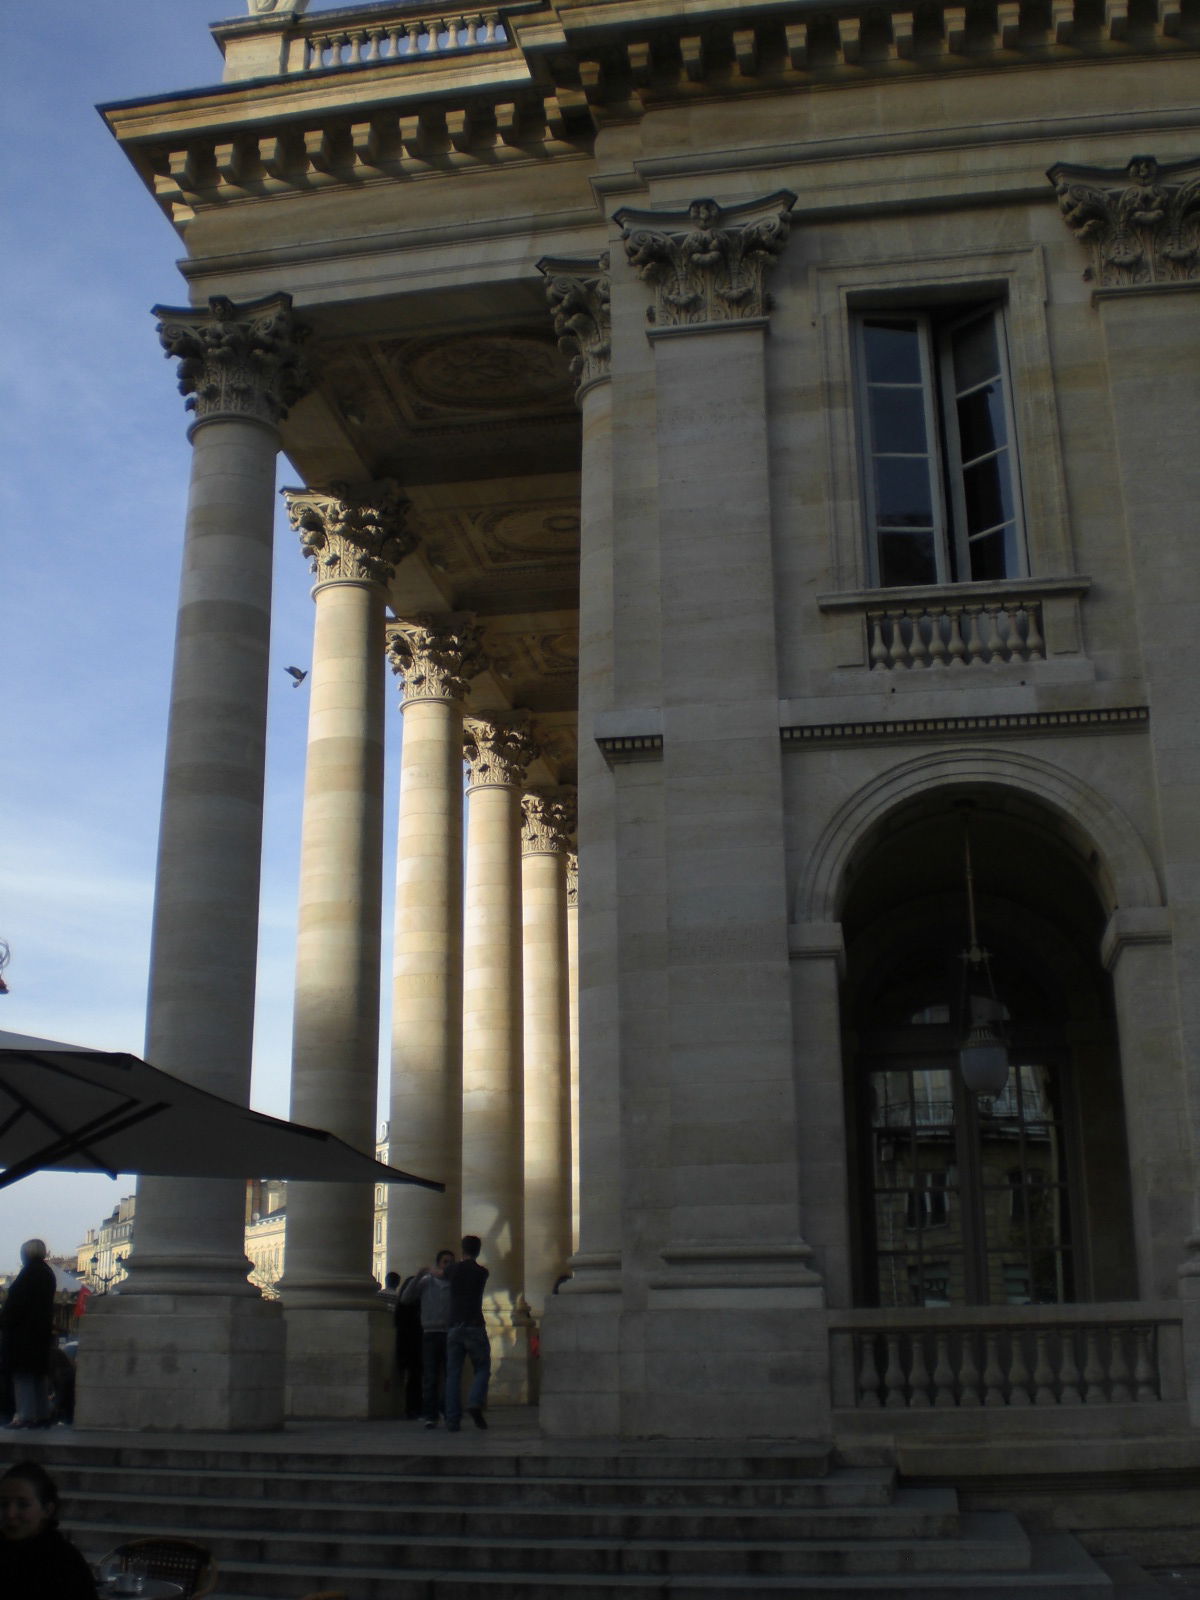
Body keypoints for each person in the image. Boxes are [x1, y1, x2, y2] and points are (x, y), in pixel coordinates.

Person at [0, 1460, 98, 1599]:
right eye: (4, 1504)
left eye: (23, 1505)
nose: (10, 1513)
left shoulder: (64, 1563)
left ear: (47, 1510)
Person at [0, 1240, 57, 1428]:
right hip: (40, 1334)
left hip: (23, 1336)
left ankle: (25, 1415)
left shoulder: (29, 1274)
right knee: (38, 1375)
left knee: (23, 1376)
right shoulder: (47, 1273)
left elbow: (15, 1306)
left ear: (27, 1253)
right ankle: (42, 1413)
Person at [400, 1249, 455, 1428]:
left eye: (451, 1262)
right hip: (430, 1334)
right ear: (438, 1264)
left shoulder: (455, 1283)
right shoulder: (426, 1282)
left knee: (450, 1376)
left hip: (449, 1334)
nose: (448, 1266)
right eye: (445, 1262)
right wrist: (418, 1276)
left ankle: (447, 1412)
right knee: (430, 1377)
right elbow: (406, 1298)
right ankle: (431, 1415)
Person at [444, 1234, 491, 1433]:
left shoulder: (451, 1269)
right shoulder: (482, 1272)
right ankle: (474, 1401)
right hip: (474, 1324)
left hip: (454, 1325)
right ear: (478, 1251)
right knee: (482, 1368)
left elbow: (443, 1274)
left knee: (453, 1374)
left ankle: (452, 1419)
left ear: (461, 1249)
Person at [393, 1271, 424, 1419]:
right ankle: (415, 1408)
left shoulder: (402, 1309)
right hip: (414, 1346)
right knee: (416, 1378)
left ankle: (413, 1409)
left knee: (414, 1378)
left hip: (407, 1346)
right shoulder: (414, 1307)